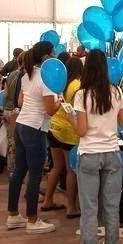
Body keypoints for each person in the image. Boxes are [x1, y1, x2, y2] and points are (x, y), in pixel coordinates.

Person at [69, 49, 123, 244]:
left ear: (87, 68)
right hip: (113, 153)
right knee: (112, 206)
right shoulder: (116, 92)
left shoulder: (81, 95)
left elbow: (81, 130)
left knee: (89, 208)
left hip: (89, 155)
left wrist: (70, 118)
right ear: (105, 68)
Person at [6, 41, 60, 234]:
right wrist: (60, 100)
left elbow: (21, 101)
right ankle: (32, 220)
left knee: (19, 172)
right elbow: (50, 109)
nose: (56, 55)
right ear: (47, 56)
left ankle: (13, 215)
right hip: (35, 128)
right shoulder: (47, 78)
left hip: (21, 125)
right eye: (54, 52)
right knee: (35, 175)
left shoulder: (27, 75)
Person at [41, 57, 83, 217]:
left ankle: (48, 200)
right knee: (71, 171)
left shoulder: (60, 83)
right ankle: (71, 207)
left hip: (53, 128)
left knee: (56, 167)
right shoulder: (77, 85)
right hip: (68, 132)